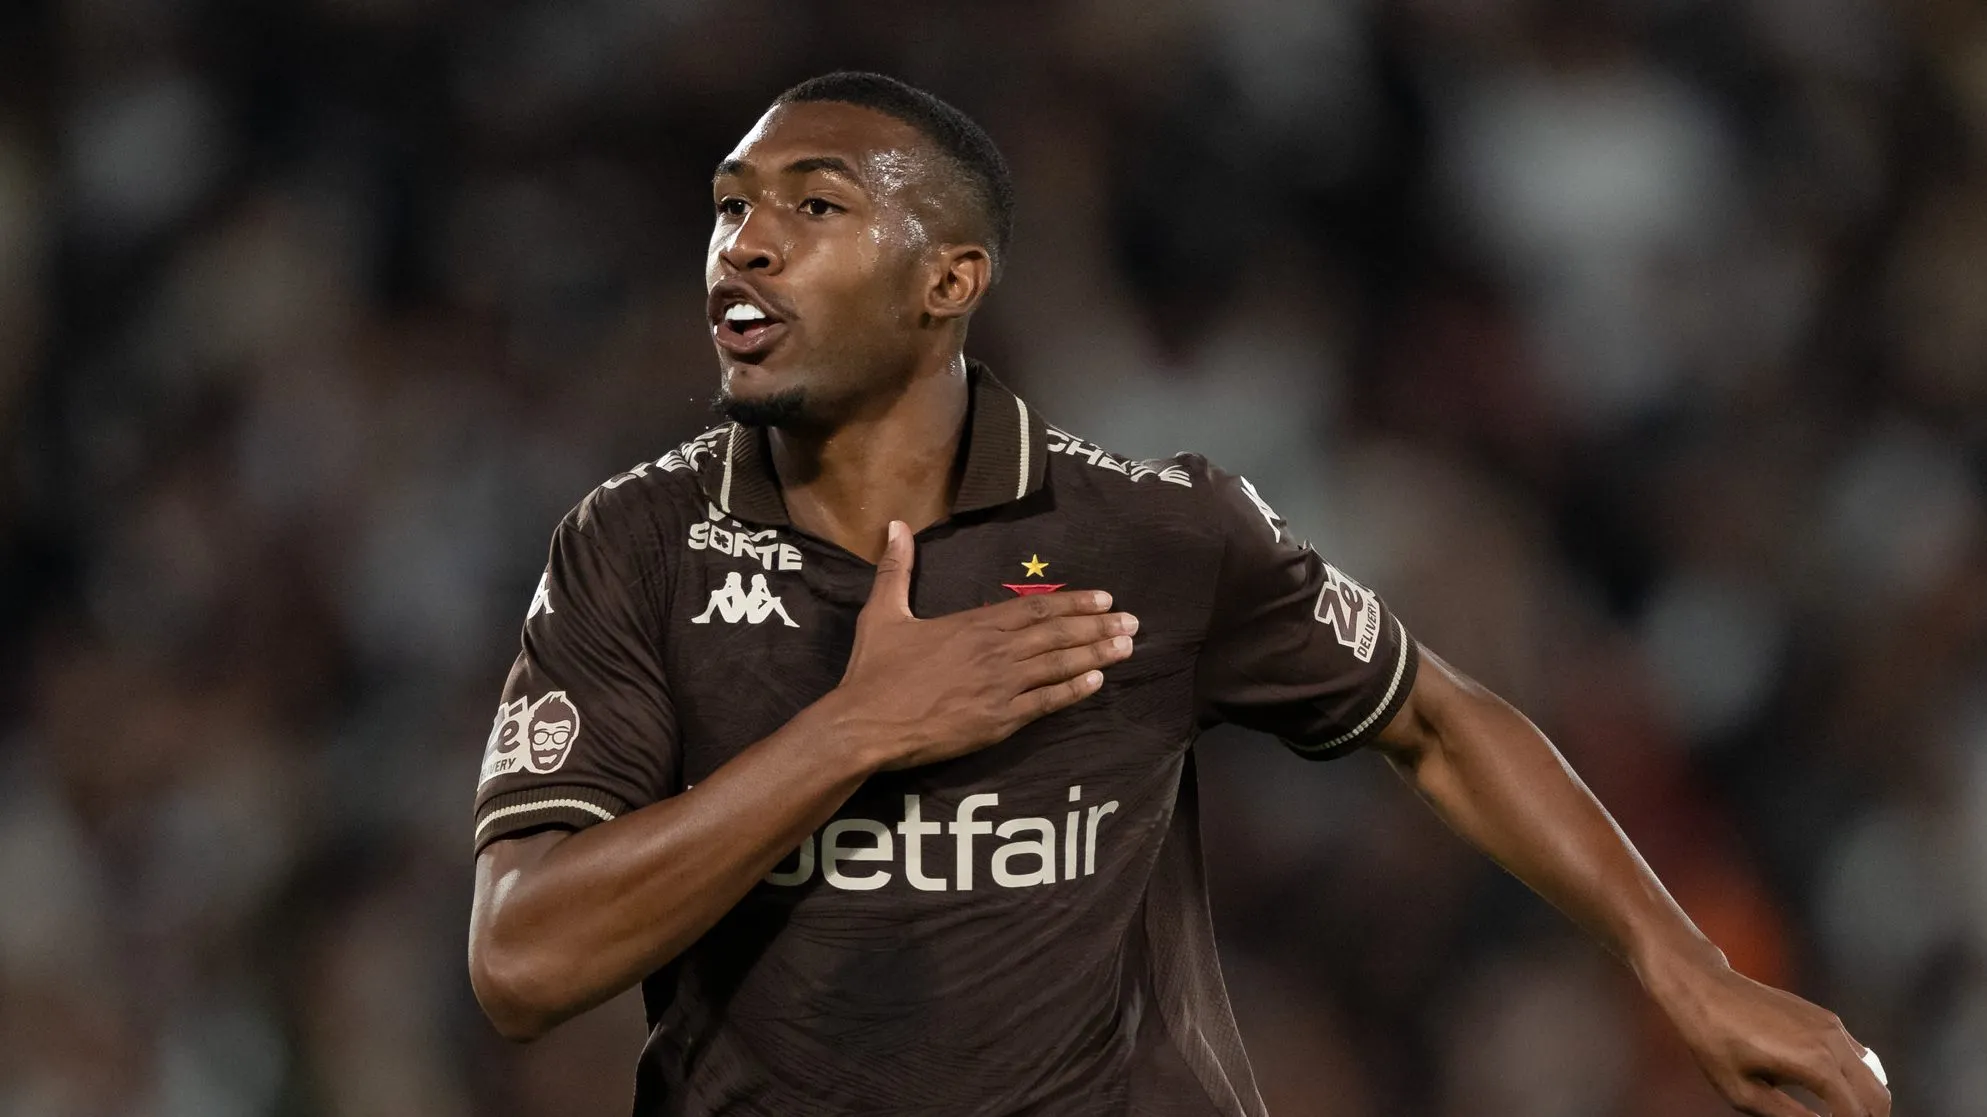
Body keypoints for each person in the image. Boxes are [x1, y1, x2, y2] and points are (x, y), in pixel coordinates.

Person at [466, 72, 1890, 1117]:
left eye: (812, 206)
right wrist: (851, 733)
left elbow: (1434, 719)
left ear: (948, 278)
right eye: (729, 210)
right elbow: (522, 960)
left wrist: (1682, 965)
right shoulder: (635, 548)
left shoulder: (1147, 531)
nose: (744, 245)